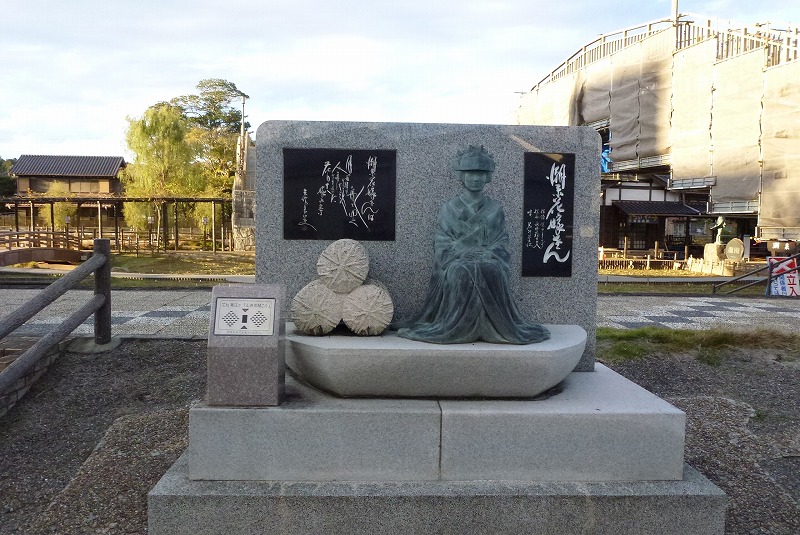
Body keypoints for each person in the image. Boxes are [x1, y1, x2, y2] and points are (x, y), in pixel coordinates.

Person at [395, 146, 550, 344]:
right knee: (460, 272)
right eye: (470, 173)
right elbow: (442, 241)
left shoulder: (495, 209)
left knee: (492, 270)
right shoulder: (449, 208)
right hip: (457, 261)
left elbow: (501, 241)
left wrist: (488, 254)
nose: (475, 178)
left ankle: (491, 325)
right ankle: (454, 325)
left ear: (488, 177)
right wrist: (460, 253)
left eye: (481, 174)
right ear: (461, 176)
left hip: (488, 258)